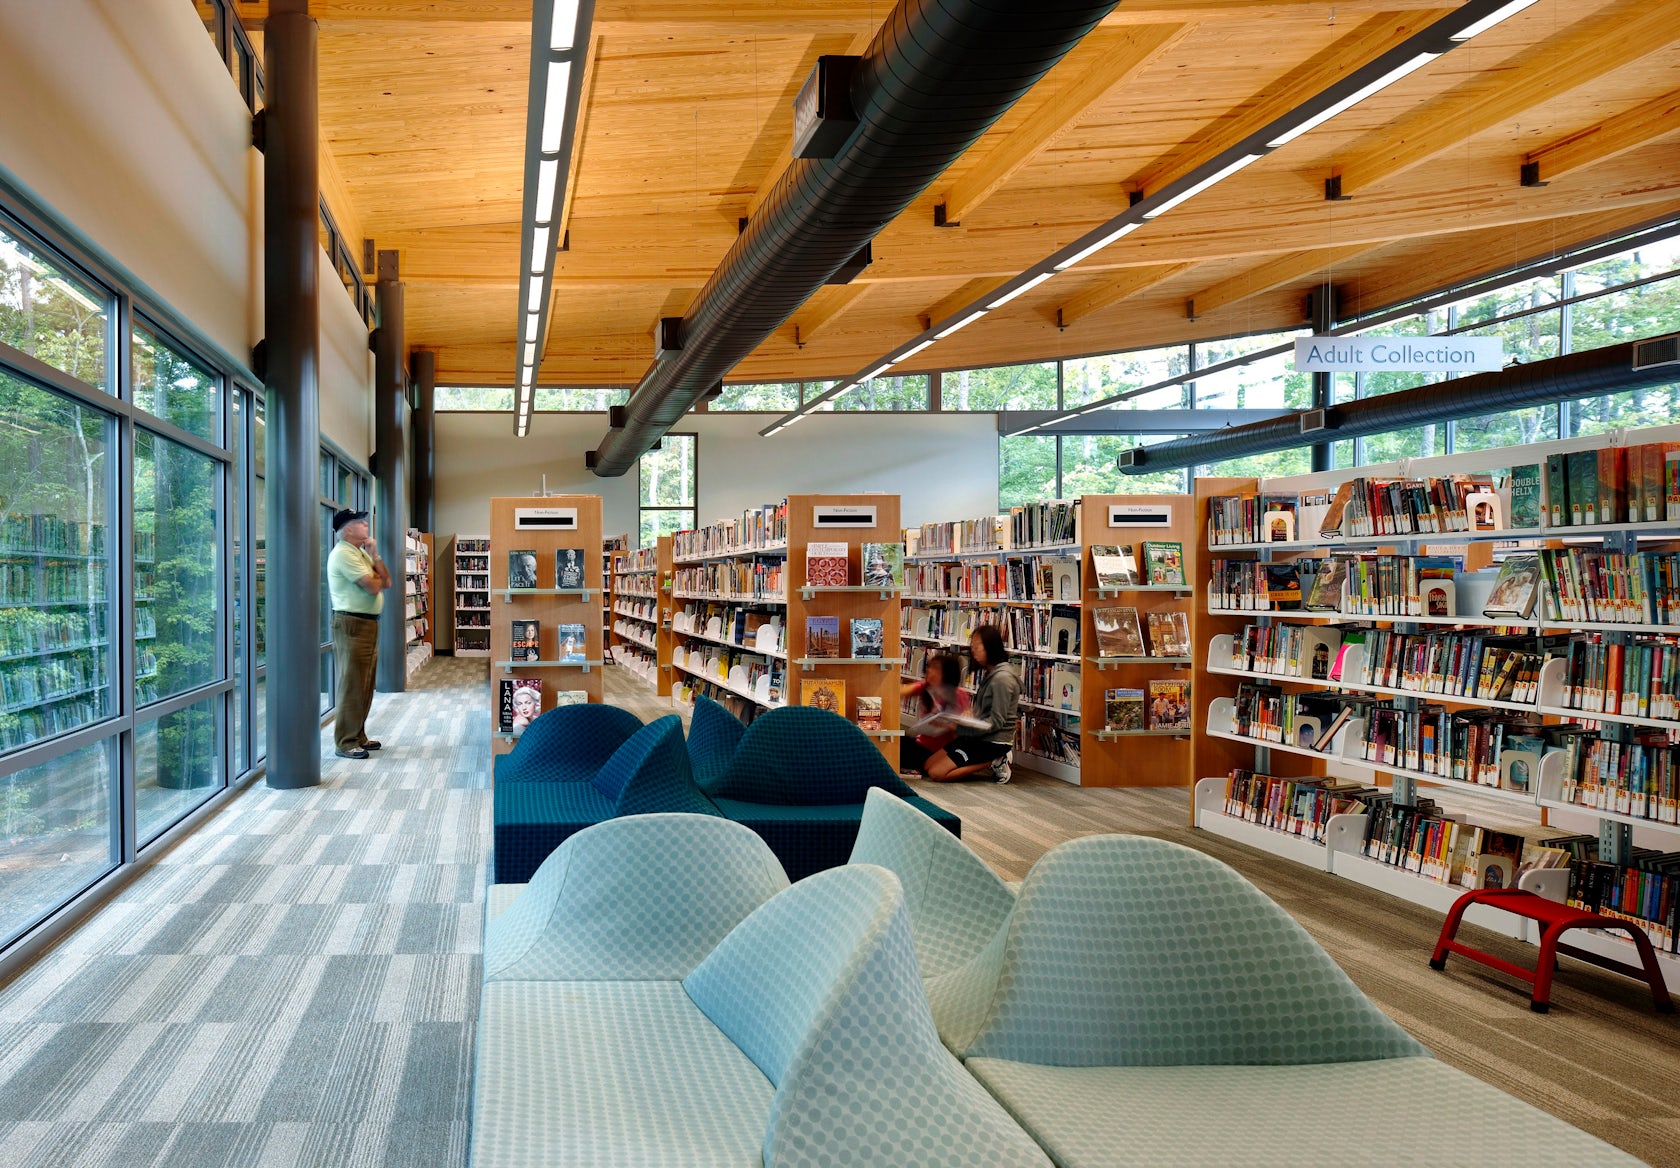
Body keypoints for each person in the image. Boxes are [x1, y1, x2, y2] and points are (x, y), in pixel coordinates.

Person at [326, 508, 390, 759]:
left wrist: (375, 554)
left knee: (365, 683)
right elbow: (375, 586)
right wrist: (376, 573)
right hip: (352, 624)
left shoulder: (360, 553)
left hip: (367, 623)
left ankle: (358, 735)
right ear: (348, 529)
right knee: (352, 683)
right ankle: (345, 741)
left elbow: (387, 582)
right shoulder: (343, 554)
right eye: (360, 522)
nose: (366, 524)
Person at [926, 624, 1021, 784]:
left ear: (991, 647)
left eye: (978, 646)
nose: (974, 651)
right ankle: (984, 759)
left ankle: (994, 760)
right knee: (928, 765)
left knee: (937, 773)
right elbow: (986, 712)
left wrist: (961, 727)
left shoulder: (1001, 679)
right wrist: (968, 715)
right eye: (972, 647)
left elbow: (996, 722)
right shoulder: (991, 673)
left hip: (992, 741)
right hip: (977, 736)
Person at [899, 652, 971, 776]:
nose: (929, 671)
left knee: (903, 749)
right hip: (922, 745)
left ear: (946, 673)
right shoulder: (926, 687)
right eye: (929, 666)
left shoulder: (959, 695)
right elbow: (901, 691)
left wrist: (955, 725)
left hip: (943, 750)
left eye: (935, 668)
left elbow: (961, 731)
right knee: (897, 740)